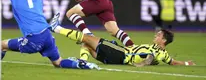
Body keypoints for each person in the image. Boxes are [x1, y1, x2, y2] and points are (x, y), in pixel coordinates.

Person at [50, 13, 196, 67]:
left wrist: (143, 64)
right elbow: (172, 62)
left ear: (163, 40)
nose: (155, 36)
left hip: (120, 53)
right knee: (86, 44)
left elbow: (150, 58)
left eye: (158, 35)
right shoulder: (163, 54)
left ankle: (56, 28)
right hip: (118, 57)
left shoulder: (156, 51)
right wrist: (187, 63)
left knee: (88, 38)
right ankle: (83, 62)